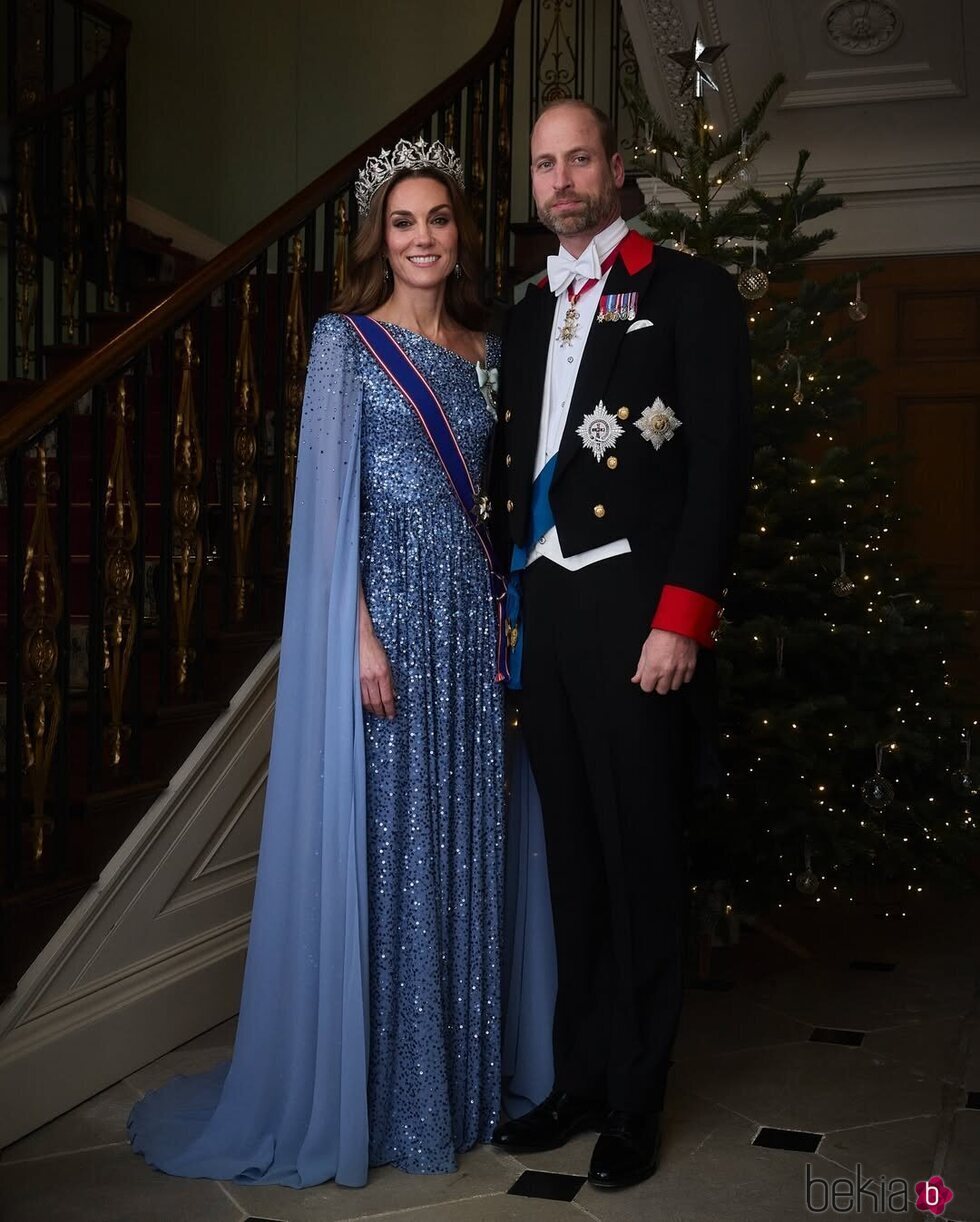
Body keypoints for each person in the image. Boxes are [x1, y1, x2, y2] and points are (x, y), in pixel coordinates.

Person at [128, 138, 511, 1187]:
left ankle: (458, 1080)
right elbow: (323, 503)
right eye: (403, 222)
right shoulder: (345, 343)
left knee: (459, 833)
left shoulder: (485, 349)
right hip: (384, 617)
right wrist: (354, 634)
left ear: (457, 233)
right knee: (393, 844)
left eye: (437, 219)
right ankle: (383, 1091)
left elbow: (496, 501)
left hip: (465, 623)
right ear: (376, 239)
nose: (422, 237)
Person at [490, 100, 753, 1190]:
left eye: (577, 159)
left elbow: (720, 465)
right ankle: (583, 1078)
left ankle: (636, 1102)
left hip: (638, 616)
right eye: (543, 165)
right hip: (547, 616)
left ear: (615, 167)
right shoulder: (520, 313)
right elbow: (514, 477)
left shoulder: (687, 292)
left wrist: (680, 615)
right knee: (576, 865)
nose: (560, 180)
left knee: (641, 859)